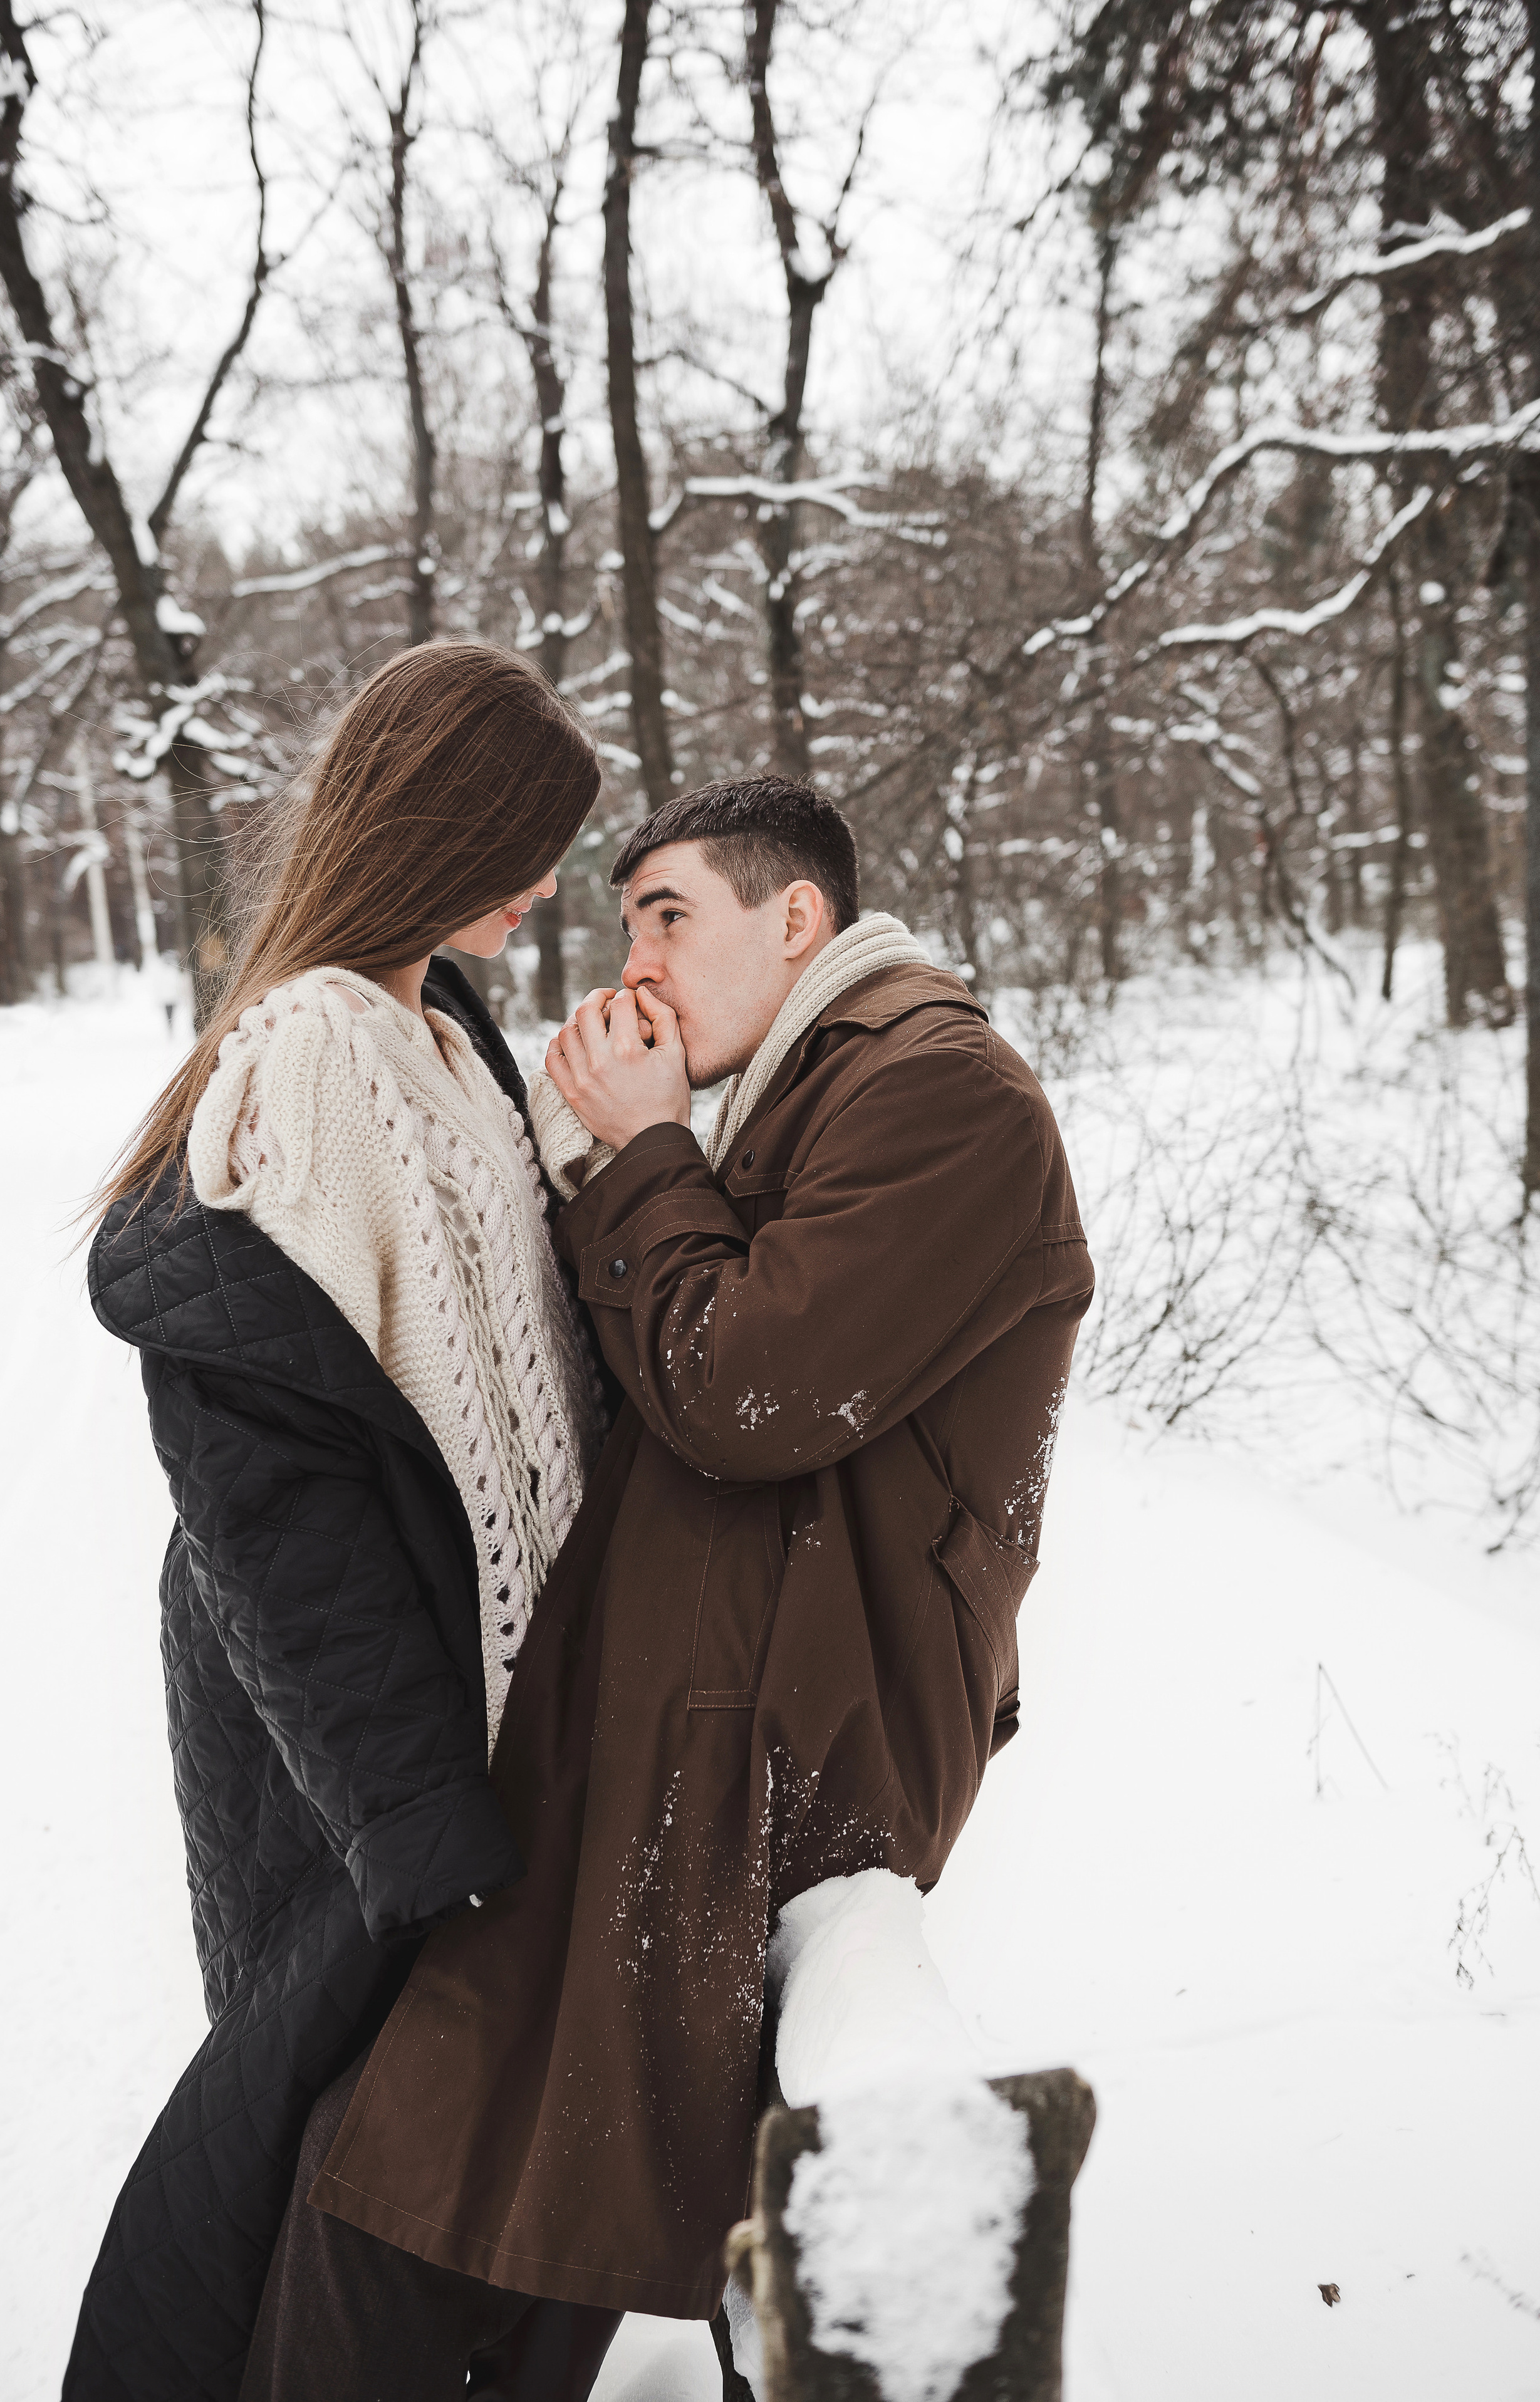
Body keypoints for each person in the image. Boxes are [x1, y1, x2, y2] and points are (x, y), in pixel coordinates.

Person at [254, 775, 1093, 2391]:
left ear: (798, 919)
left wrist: (645, 1148)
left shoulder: (945, 1095)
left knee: (441, 2151)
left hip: (791, 1743)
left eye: (668, 917)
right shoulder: (806, 1092)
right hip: (702, 1711)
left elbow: (742, 1390)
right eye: (624, 921)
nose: (633, 962)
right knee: (462, 2150)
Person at [65, 643, 620, 2402]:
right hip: (358, 1721)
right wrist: (413, 1805)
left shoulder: (441, 1031)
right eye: (528, 845)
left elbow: (505, 1346)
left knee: (432, 2148)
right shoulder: (316, 1052)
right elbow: (272, 1486)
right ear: (446, 822)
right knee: (342, 2149)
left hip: (451, 1697)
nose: (546, 886)